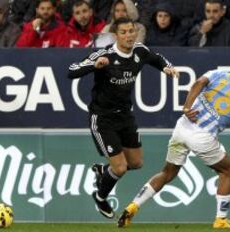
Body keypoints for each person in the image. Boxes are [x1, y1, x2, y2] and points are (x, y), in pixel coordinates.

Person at [117, 58, 230, 229]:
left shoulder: (219, 73)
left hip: (182, 127)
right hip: (203, 136)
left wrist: (186, 108)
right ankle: (221, 219)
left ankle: (132, 207)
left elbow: (198, 83)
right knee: (227, 171)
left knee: (167, 173)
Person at [68, 17, 179, 219]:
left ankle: (104, 171)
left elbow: (157, 58)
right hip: (102, 118)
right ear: (115, 35)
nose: (129, 35)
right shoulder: (104, 54)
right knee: (120, 168)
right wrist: (95, 66)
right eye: (124, 32)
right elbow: (72, 71)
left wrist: (167, 68)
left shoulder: (139, 51)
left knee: (136, 163)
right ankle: (100, 197)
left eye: (131, 31)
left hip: (125, 116)